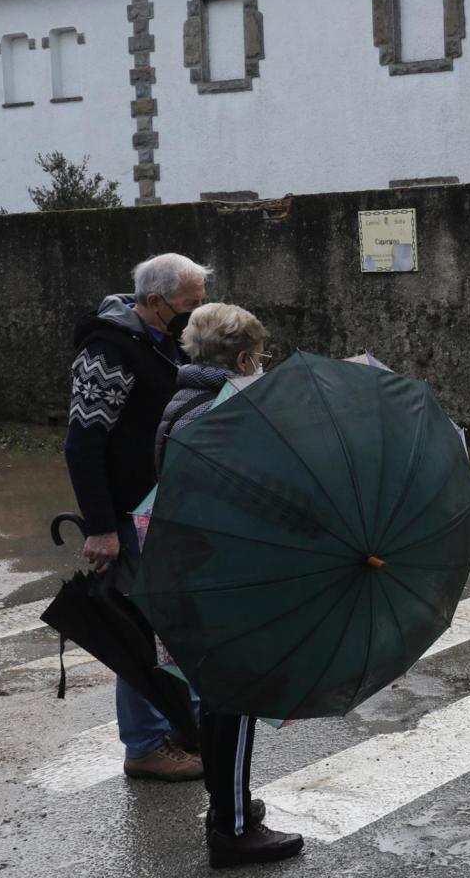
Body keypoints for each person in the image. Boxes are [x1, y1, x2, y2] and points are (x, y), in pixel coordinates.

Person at [153, 303, 305, 868]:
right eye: (260, 356)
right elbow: (234, 500)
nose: (264, 364)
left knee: (219, 700)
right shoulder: (221, 415)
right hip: (222, 578)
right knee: (236, 700)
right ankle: (234, 828)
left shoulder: (185, 399)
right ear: (243, 358)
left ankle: (230, 804)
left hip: (194, 572)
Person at [64, 252, 208, 782]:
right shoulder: (108, 351)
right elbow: (84, 442)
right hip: (130, 514)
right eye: (189, 305)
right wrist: (102, 527)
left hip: (165, 509)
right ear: (154, 302)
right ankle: (145, 746)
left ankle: (185, 728)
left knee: (177, 623)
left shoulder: (160, 340)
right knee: (142, 630)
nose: (196, 314)